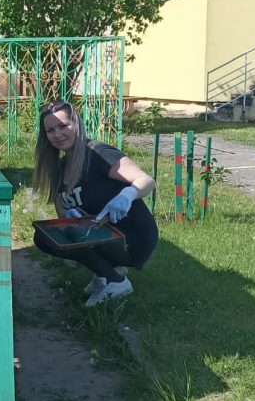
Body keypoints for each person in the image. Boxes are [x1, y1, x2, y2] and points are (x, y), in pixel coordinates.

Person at [31, 100, 159, 307]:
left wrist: (127, 195)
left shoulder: (98, 153)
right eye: (50, 130)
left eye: (63, 126)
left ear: (76, 124)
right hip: (102, 232)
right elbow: (62, 215)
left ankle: (117, 282)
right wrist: (70, 216)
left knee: (62, 237)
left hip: (132, 236)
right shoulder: (59, 168)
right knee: (45, 237)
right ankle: (105, 272)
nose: (57, 134)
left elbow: (147, 181)